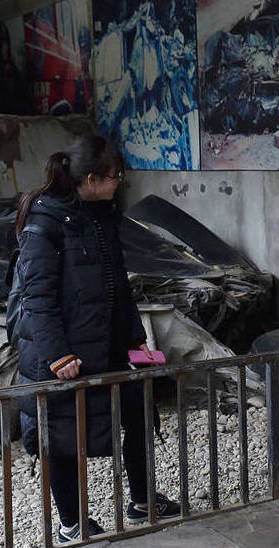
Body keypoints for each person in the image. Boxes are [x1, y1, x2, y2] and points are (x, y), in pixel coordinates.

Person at [14, 135, 180, 543]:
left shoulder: (101, 214)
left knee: (138, 413)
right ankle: (71, 523)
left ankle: (142, 499)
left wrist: (137, 339)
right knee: (64, 436)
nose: (118, 184)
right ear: (91, 179)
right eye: (114, 178)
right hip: (61, 353)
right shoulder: (44, 222)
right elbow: (37, 297)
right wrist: (57, 355)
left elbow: (117, 286)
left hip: (107, 345)